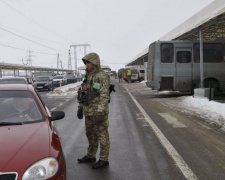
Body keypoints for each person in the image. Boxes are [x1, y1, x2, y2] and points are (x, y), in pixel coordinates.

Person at [77, 52, 110, 169]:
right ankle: (91, 155)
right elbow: (83, 93)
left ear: (94, 62)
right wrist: (80, 107)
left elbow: (104, 95)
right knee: (90, 134)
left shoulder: (102, 76)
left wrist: (101, 110)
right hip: (89, 111)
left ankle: (103, 159)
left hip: (98, 112)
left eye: (88, 62)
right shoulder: (88, 76)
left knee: (102, 135)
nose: (87, 65)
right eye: (86, 63)